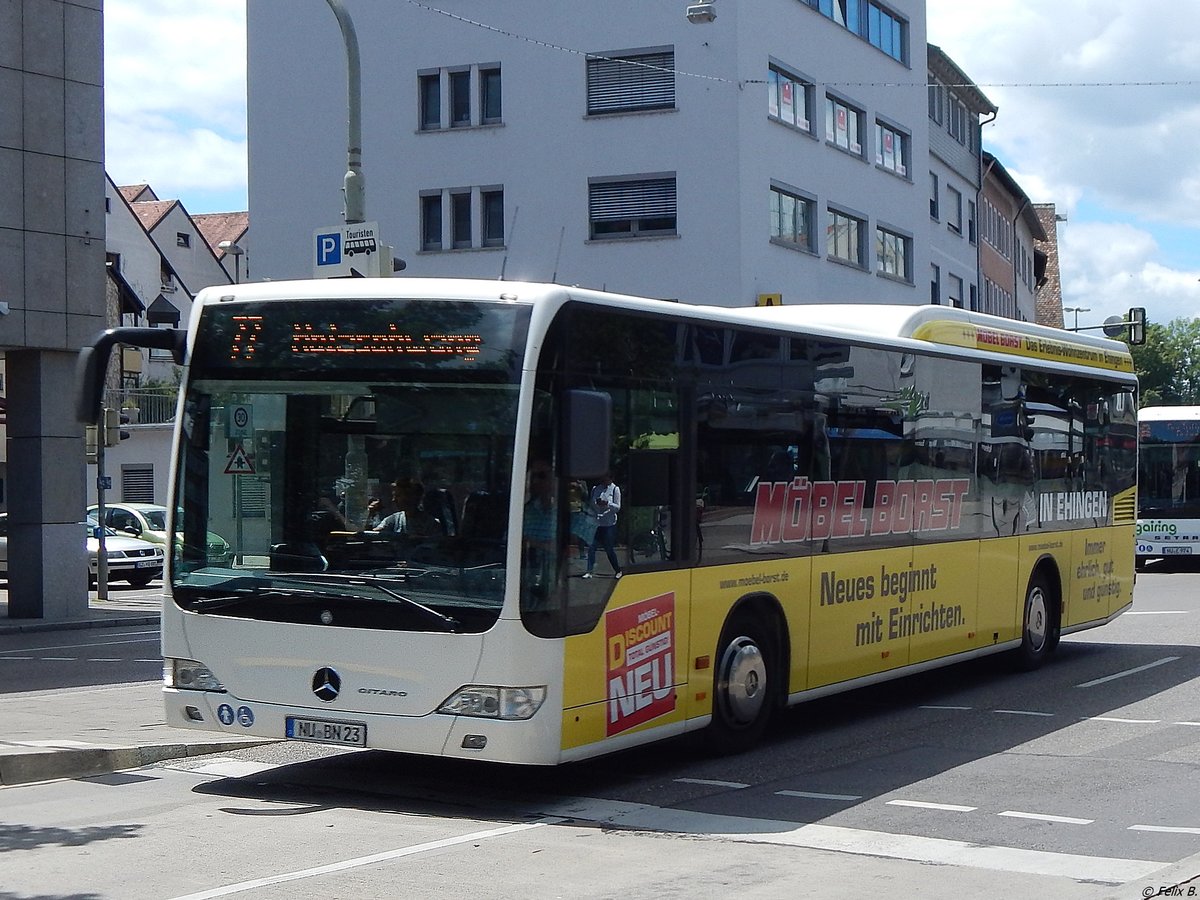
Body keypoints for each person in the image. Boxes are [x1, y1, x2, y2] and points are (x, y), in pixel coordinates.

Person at [584, 471, 621, 579]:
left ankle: (617, 570)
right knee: (591, 546)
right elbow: (591, 503)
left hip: (609, 523)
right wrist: (596, 504)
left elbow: (618, 507)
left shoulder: (615, 489)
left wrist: (607, 504)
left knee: (609, 548)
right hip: (596, 522)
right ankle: (589, 570)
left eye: (606, 479)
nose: (604, 481)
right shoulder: (596, 488)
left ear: (611, 479)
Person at [373, 478, 441, 537]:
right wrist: (371, 514)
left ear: (411, 497)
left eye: (398, 495)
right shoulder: (393, 520)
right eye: (394, 496)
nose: (394, 500)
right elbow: (373, 535)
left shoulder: (431, 524)